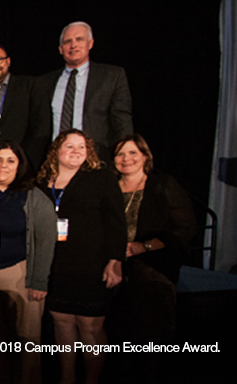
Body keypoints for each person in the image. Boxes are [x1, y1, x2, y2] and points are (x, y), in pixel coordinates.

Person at [36, 130, 125, 384]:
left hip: (92, 265)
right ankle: (67, 378)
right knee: (62, 323)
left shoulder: (101, 179)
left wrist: (115, 260)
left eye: (82, 147)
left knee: (90, 326)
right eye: (69, 146)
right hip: (55, 265)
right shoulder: (42, 181)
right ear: (56, 150)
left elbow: (116, 223)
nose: (76, 151)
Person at [110, 134, 195, 383]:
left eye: (133, 153)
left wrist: (143, 247)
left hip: (154, 267)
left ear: (145, 157)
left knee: (150, 338)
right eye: (120, 154)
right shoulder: (109, 188)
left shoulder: (163, 184)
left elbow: (185, 229)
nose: (126, 159)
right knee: (119, 337)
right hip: (114, 268)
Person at [0, 141, 56, 384]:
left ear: (19, 165)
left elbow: (46, 240)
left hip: (20, 273)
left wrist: (39, 280)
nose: (3, 166)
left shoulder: (32, 196)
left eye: (11, 161)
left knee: (27, 341)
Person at [33, 21, 133, 163]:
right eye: (68, 41)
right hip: (54, 162)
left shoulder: (112, 76)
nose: (73, 45)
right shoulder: (44, 82)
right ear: (60, 49)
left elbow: (121, 119)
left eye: (79, 39)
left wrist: (125, 153)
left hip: (96, 161)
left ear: (90, 44)